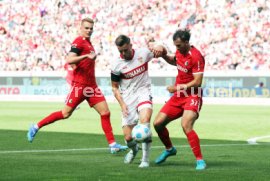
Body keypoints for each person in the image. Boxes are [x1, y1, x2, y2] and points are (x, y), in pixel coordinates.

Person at [27, 18, 127, 154]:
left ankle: (113, 145)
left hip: (91, 86)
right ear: (80, 28)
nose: (89, 30)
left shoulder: (89, 43)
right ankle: (36, 126)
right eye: (86, 28)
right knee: (65, 113)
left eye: (91, 28)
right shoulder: (78, 41)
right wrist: (86, 56)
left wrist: (86, 57)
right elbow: (69, 59)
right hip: (79, 86)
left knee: (105, 112)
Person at [153, 29, 207, 170]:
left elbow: (198, 82)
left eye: (178, 45)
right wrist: (163, 56)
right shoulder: (179, 52)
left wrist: (177, 88)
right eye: (175, 45)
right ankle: (170, 149)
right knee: (158, 123)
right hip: (178, 97)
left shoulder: (196, 57)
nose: (176, 48)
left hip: (193, 94)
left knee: (186, 124)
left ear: (186, 43)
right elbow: (174, 61)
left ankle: (200, 160)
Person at [111, 35, 163, 168]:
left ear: (130, 45)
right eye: (120, 51)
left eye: (125, 50)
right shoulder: (116, 64)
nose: (123, 53)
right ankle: (134, 150)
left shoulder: (143, 53)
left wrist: (159, 46)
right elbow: (114, 87)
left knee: (145, 123)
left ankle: (145, 160)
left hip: (144, 92)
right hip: (127, 97)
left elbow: (162, 52)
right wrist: (122, 104)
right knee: (128, 138)